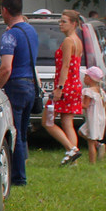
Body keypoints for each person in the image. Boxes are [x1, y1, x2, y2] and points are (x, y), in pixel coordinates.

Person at [0, 0, 39, 187]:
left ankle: (18, 177)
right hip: (30, 85)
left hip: (16, 86)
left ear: (4, 10)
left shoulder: (10, 35)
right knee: (23, 132)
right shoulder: (31, 30)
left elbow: (6, 68)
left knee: (15, 133)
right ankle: (22, 168)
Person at [45, 9, 84, 164]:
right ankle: (73, 159)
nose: (60, 24)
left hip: (65, 86)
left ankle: (71, 149)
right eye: (60, 21)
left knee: (47, 121)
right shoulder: (78, 41)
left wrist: (59, 88)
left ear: (73, 23)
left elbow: (65, 65)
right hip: (75, 85)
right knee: (68, 122)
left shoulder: (68, 41)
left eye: (64, 21)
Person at [78, 66, 106, 163]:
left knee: (90, 141)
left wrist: (75, 103)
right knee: (82, 132)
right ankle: (98, 145)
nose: (83, 78)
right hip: (100, 117)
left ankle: (92, 162)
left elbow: (85, 105)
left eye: (85, 76)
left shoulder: (88, 91)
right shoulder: (100, 91)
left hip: (92, 119)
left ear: (90, 78)